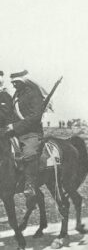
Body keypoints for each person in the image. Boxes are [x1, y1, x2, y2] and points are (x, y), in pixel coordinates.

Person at [5, 70, 47, 208]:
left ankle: (30, 186)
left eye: (16, 82)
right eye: (13, 83)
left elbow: (35, 118)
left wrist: (14, 126)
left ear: (24, 81)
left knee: (29, 153)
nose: (14, 85)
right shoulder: (16, 96)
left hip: (31, 133)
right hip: (16, 132)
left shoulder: (34, 95)